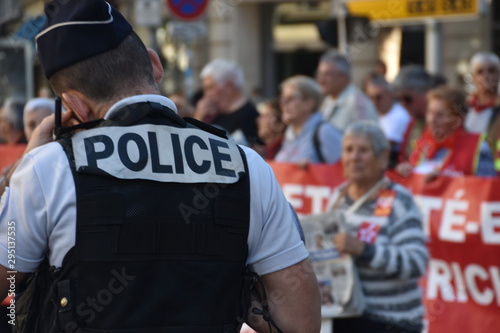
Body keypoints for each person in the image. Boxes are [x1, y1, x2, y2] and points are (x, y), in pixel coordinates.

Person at [0, 1, 321, 333]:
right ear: (154, 63)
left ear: (73, 105)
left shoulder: (47, 169)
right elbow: (300, 324)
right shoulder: (248, 167)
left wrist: (18, 172)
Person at [326, 121, 428, 333]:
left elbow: (416, 262)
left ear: (382, 158)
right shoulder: (338, 197)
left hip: (392, 322)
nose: (354, 157)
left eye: (363, 150)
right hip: (346, 316)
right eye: (349, 150)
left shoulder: (399, 201)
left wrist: (365, 250)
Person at [396, 86, 497, 179]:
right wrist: (405, 170)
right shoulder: (424, 143)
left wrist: (445, 181)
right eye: (429, 112)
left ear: (458, 119)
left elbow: (487, 187)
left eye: (440, 115)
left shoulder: (477, 147)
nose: (431, 120)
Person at [274, 75, 342, 166]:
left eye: (290, 98)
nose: (284, 103)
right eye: (282, 99)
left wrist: (313, 168)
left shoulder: (325, 132)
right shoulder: (290, 133)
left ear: (309, 103)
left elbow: (343, 170)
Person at [194, 59, 261, 147]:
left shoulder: (252, 118)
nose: (207, 95)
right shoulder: (210, 116)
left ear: (229, 86)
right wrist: (198, 121)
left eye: (210, 88)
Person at [316, 50, 378, 130]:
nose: (321, 80)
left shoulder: (356, 102)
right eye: (320, 74)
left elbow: (367, 137)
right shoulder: (329, 100)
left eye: (327, 74)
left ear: (343, 77)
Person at [365, 76, 411, 167]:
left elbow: (383, 145)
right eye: (371, 98)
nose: (374, 102)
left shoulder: (400, 115)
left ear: (390, 95)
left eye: (378, 97)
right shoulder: (374, 114)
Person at [391, 65, 434, 161]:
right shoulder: (413, 123)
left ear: (426, 93)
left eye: (407, 99)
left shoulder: (441, 122)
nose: (403, 104)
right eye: (398, 99)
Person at [466, 52, 500, 168]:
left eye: (491, 70)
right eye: (480, 72)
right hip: (467, 171)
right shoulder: (464, 107)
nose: (486, 75)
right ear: (473, 77)